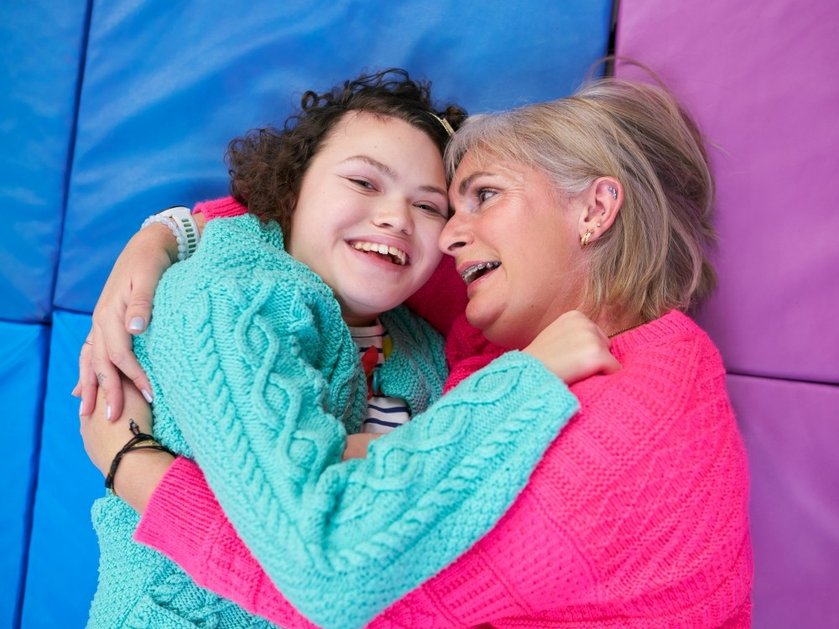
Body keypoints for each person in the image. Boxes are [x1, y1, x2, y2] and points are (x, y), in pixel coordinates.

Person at [82, 75, 752, 627]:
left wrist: (131, 465)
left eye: (481, 197)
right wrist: (167, 235)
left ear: (594, 210)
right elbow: (320, 224)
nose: (448, 234)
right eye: (451, 209)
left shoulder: (629, 415)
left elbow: (328, 577)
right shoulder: (502, 317)